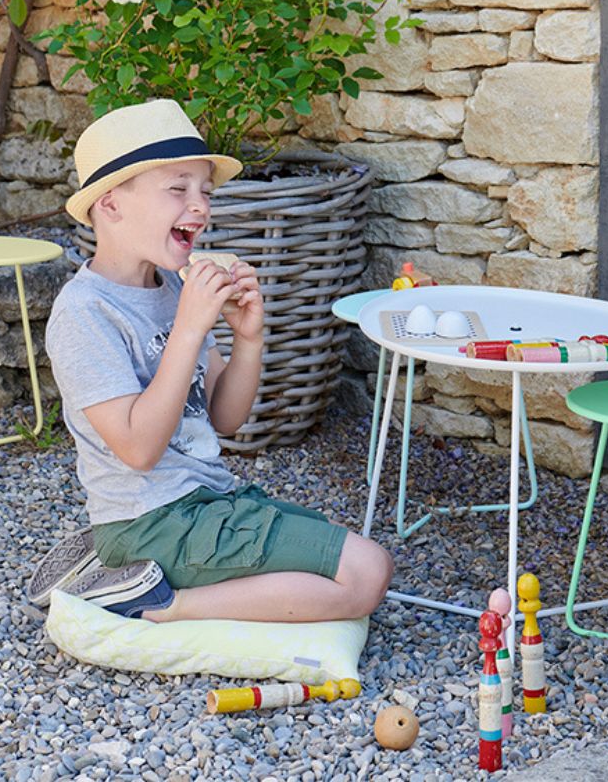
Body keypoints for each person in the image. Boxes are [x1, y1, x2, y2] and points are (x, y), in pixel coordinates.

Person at [30, 100, 392, 623]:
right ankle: (155, 605)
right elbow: (137, 450)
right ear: (110, 205)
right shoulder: (84, 314)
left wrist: (248, 337)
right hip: (152, 519)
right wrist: (190, 327)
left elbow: (224, 419)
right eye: (178, 189)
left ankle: (128, 573)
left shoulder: (173, 286)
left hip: (207, 500)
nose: (200, 206)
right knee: (367, 572)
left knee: (340, 556)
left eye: (205, 191)